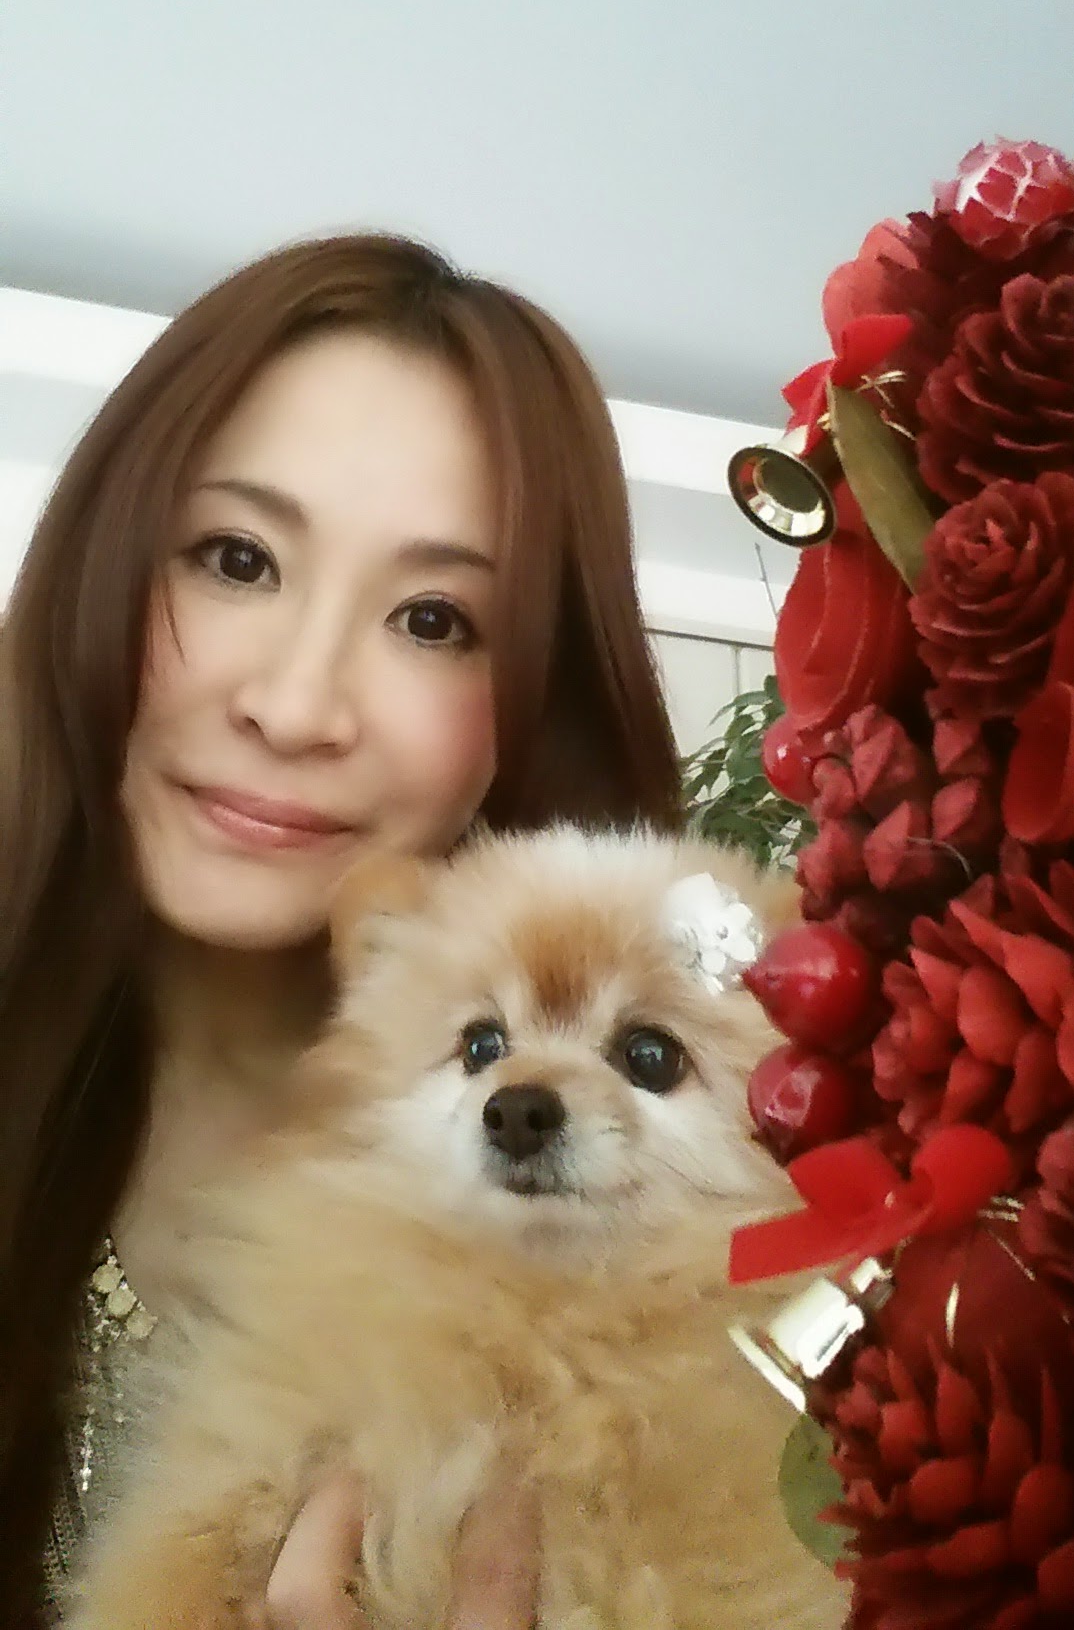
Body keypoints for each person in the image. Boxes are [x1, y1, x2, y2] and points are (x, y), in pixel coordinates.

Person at [0, 234, 683, 1626]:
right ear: (102, 561)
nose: (297, 706)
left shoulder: (670, 1261)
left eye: (433, 619)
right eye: (235, 558)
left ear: (533, 702)